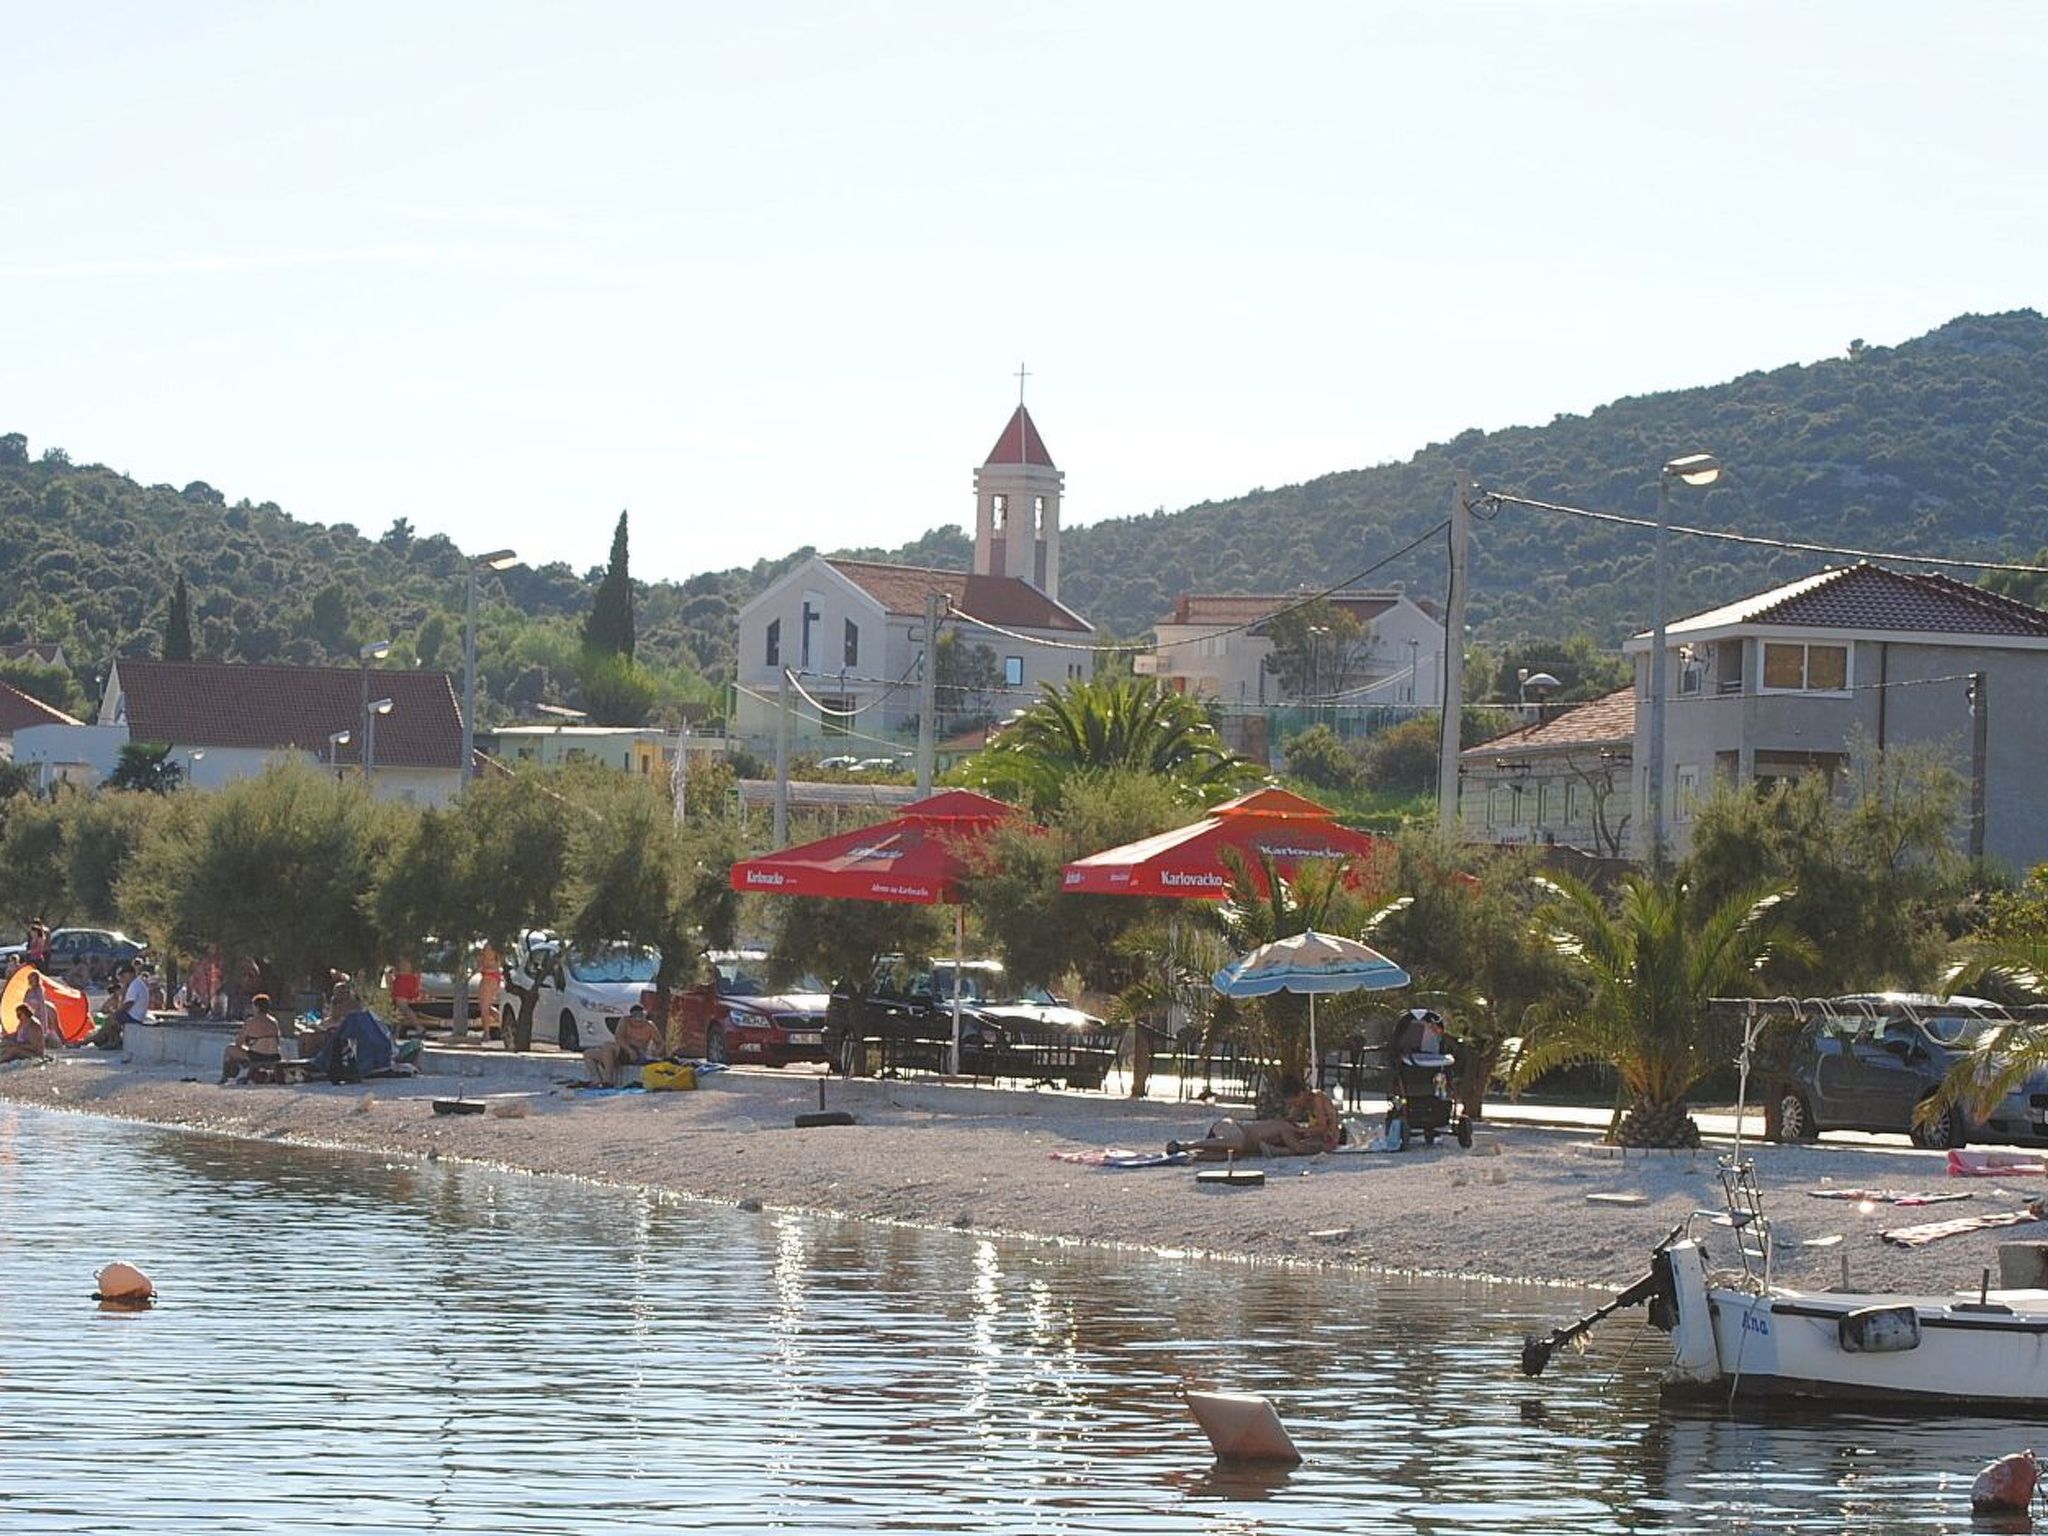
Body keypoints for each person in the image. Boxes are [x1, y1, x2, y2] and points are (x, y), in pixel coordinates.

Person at [585, 1003, 662, 1087]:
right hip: (624, 1051)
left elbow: (660, 1043)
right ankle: (596, 1080)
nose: (638, 1021)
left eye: (640, 1018)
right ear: (630, 1017)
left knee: (607, 1046)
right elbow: (618, 1037)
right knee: (588, 1053)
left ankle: (608, 1080)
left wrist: (655, 1053)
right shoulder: (625, 1021)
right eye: (635, 1018)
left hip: (637, 1055)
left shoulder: (649, 1026)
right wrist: (629, 1050)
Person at [221, 994, 285, 1083]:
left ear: (257, 1007)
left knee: (230, 1049)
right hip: (274, 1057)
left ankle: (225, 1078)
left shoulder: (251, 1022)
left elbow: (238, 1042)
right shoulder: (274, 1022)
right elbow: (278, 1041)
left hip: (257, 1057)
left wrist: (249, 1044)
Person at [388, 955, 425, 1033]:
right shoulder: (411, 958)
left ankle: (418, 1026)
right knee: (400, 1011)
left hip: (402, 981)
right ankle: (396, 1032)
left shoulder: (401, 956)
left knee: (403, 1007)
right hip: (405, 979)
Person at [477, 940, 504, 1043]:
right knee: (485, 1007)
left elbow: (496, 965)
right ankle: (502, 1022)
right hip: (487, 977)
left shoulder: (494, 947)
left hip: (490, 977)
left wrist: (485, 968)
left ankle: (487, 1033)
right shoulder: (486, 946)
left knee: (484, 1008)